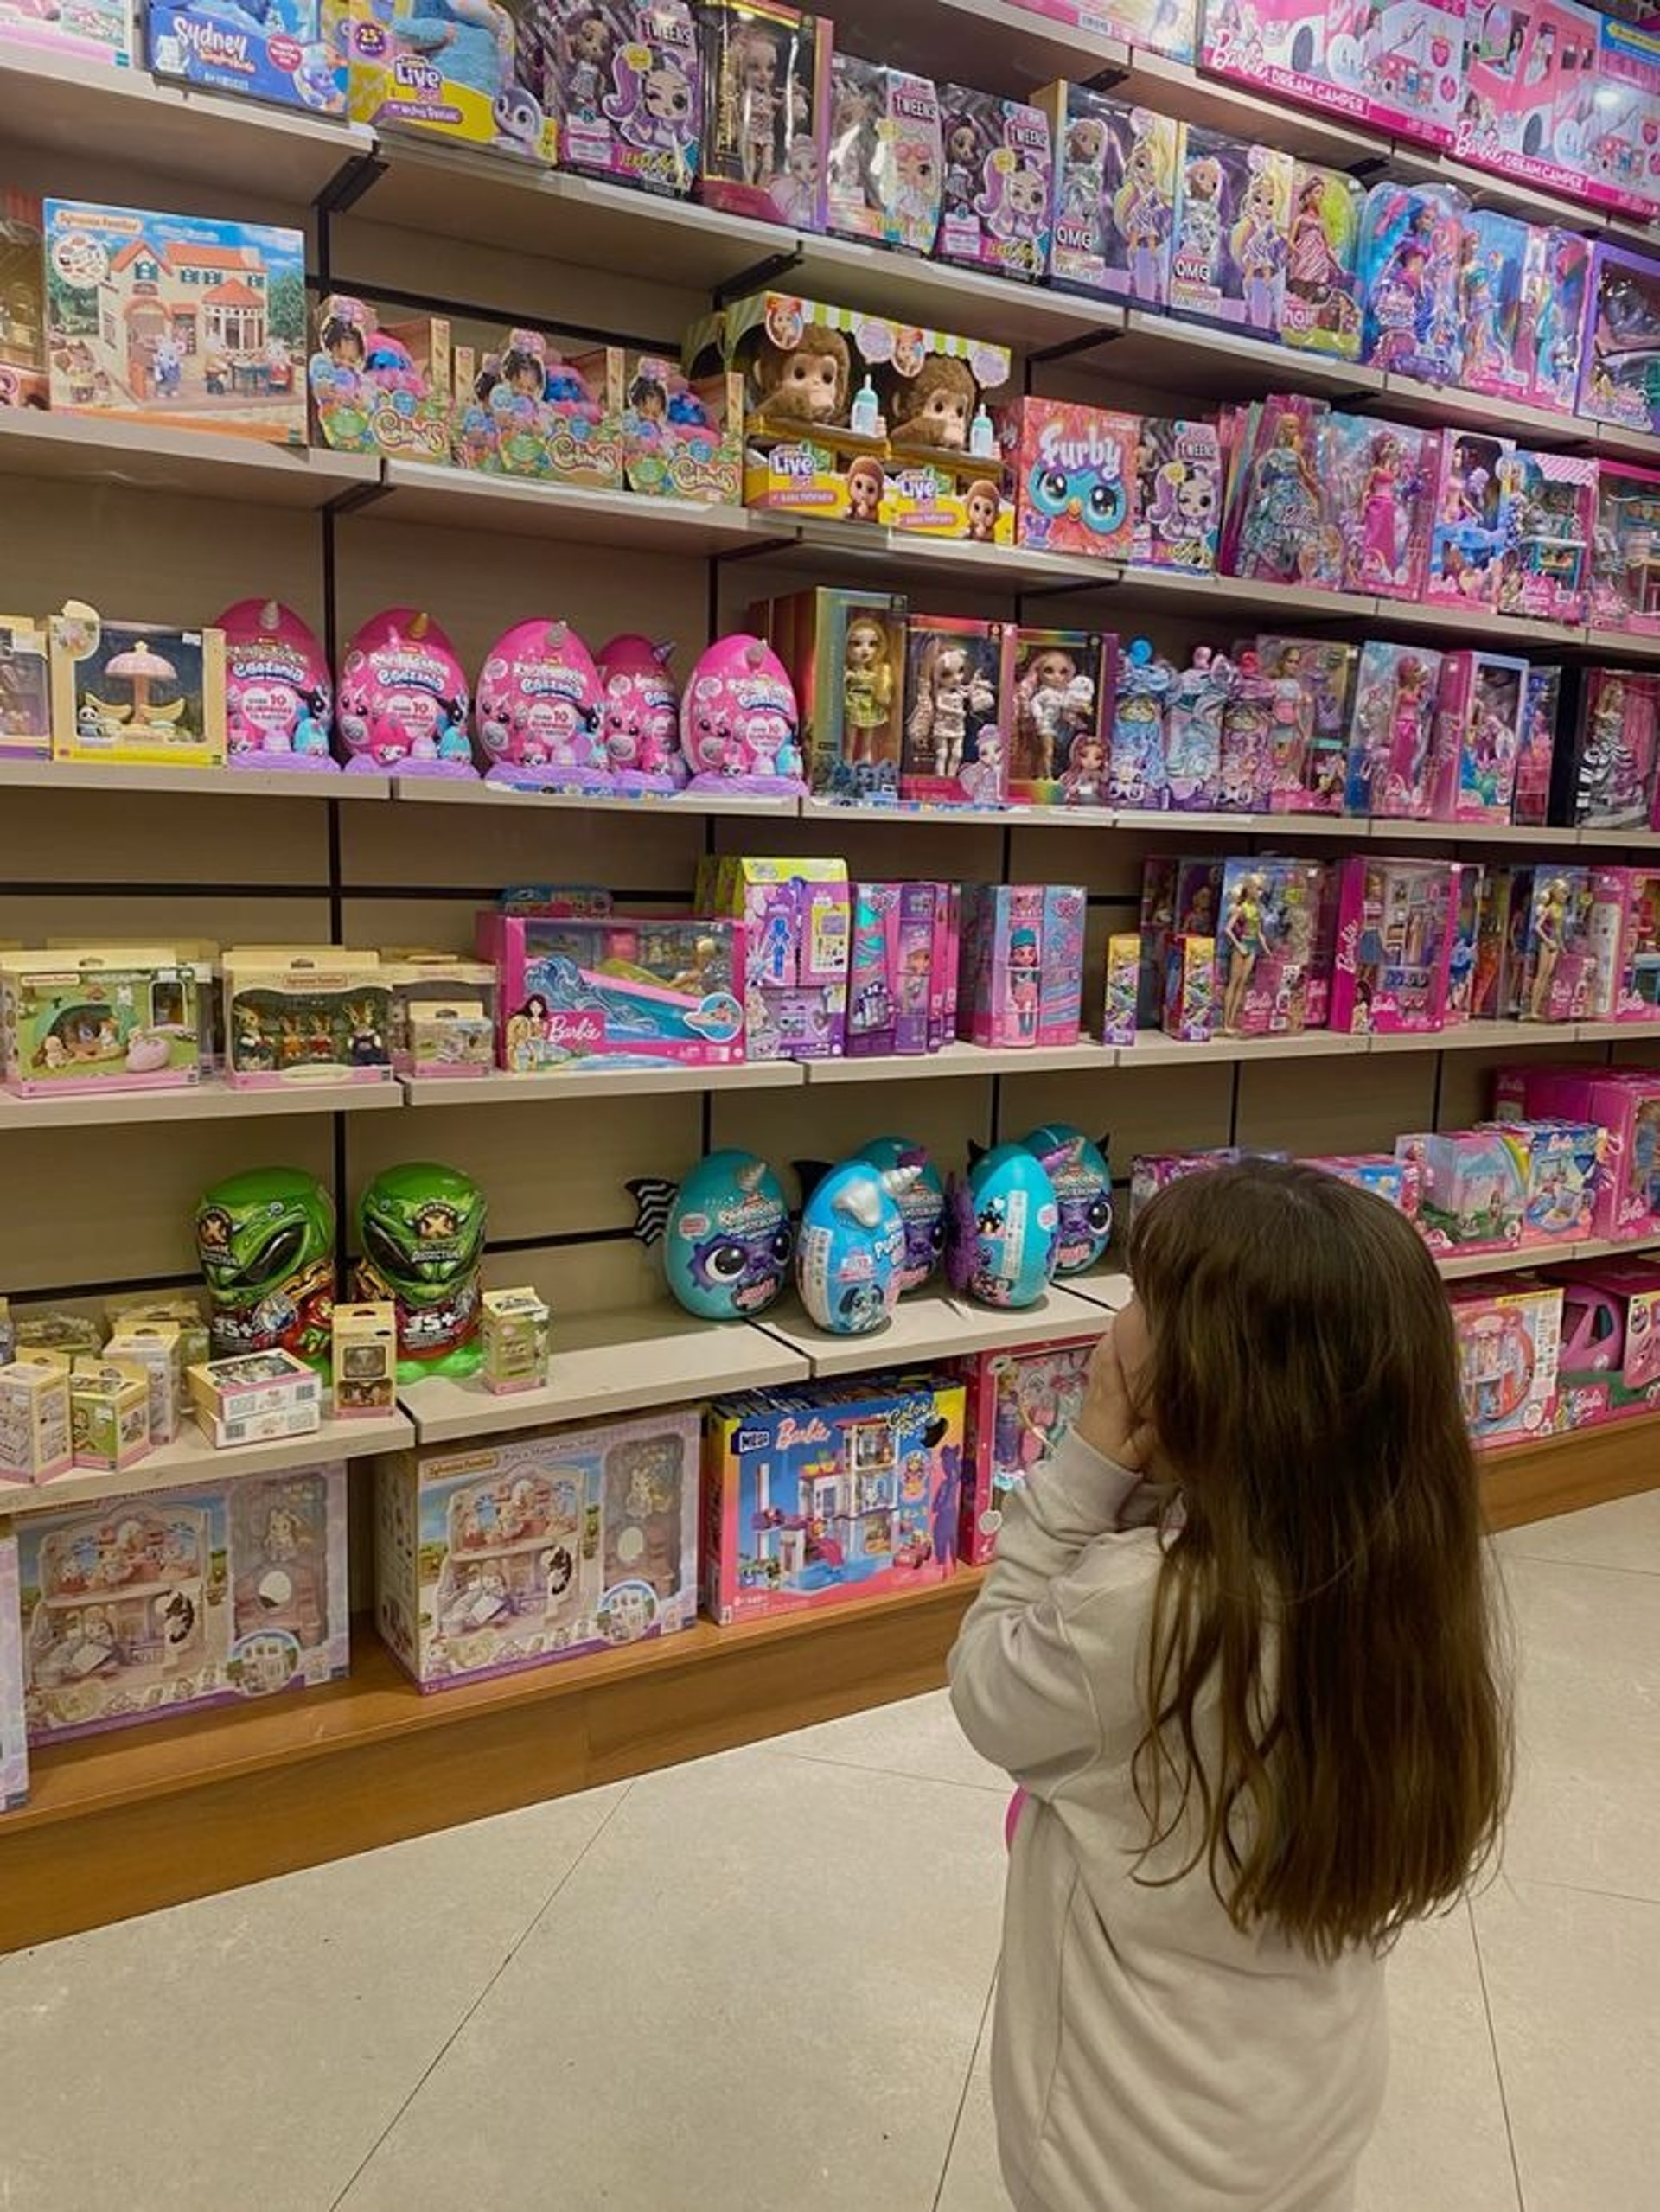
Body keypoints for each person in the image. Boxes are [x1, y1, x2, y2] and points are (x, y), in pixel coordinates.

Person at [948, 1161, 1511, 2211]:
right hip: (1301, 2114)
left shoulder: (1144, 1610)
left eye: (1141, 1299)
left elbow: (988, 1688)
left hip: (1126, 2146)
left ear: (1205, 1383)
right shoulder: (1401, 1578)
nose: (1119, 1319)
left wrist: (1085, 1472)